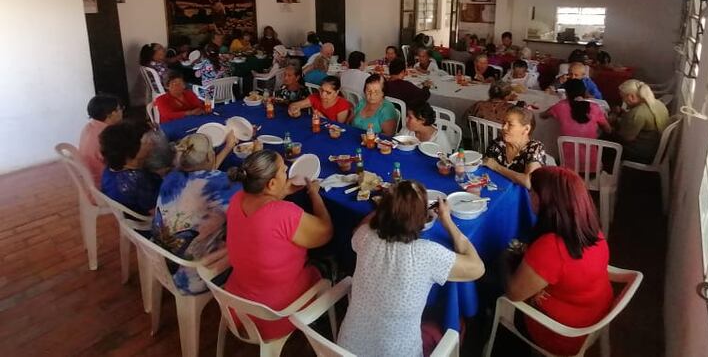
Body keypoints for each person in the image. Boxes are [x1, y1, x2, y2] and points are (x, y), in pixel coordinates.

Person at [337, 181, 484, 357]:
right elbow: (477, 268)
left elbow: (363, 226)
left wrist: (390, 207)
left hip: (344, 350)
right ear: (421, 220)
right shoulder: (426, 253)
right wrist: (448, 222)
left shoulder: (364, 237)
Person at [224, 150, 333, 340]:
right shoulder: (285, 214)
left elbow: (264, 210)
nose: (288, 172)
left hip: (235, 304)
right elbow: (326, 232)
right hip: (272, 315)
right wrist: (314, 194)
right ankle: (317, 328)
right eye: (284, 170)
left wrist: (280, 192)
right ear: (271, 183)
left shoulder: (237, 199)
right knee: (326, 265)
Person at [506, 167, 613, 356]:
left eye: (532, 193)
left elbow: (514, 294)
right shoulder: (590, 228)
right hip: (594, 312)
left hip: (562, 333)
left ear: (540, 200)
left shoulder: (551, 248)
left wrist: (502, 260)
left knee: (494, 284)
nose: (529, 196)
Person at [152, 132, 239, 294]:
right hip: (192, 274)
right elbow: (250, 203)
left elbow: (204, 174)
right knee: (249, 240)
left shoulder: (172, 177)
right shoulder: (222, 185)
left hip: (158, 258)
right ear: (209, 156)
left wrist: (227, 148)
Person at [541, 79, 611, 169]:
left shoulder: (560, 107)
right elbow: (608, 130)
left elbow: (542, 115)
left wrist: (562, 103)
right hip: (593, 169)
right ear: (585, 92)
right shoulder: (595, 107)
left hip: (568, 169)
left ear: (566, 93)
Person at [99, 121, 162, 215]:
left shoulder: (111, 168)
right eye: (146, 141)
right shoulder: (137, 181)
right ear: (131, 151)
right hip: (148, 220)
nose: (151, 143)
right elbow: (154, 210)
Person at [481, 106, 546, 188]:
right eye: (504, 123)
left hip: (523, 197)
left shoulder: (534, 148)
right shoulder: (498, 143)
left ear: (526, 129)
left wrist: (496, 167)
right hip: (500, 190)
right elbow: (486, 168)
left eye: (510, 124)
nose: (504, 127)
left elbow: (529, 182)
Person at [615, 79, 670, 163]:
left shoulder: (638, 113)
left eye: (623, 98)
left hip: (644, 154)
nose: (624, 101)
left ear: (631, 97)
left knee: (608, 140)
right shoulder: (659, 104)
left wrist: (614, 124)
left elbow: (627, 137)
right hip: (657, 148)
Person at [79, 95, 124, 185]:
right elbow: (122, 163)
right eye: (120, 109)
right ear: (110, 114)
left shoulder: (89, 127)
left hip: (90, 178)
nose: (122, 111)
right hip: (104, 182)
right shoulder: (107, 136)